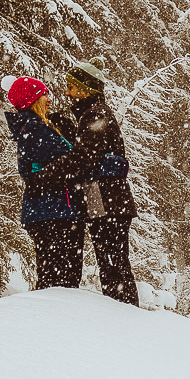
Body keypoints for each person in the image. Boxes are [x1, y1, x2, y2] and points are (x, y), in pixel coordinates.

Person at [1, 73, 135, 300]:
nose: (50, 98)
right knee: (60, 281)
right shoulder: (35, 129)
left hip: (58, 211)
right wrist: (110, 164)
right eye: (44, 95)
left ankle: (59, 316)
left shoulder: (43, 127)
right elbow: (72, 162)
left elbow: (72, 161)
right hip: (52, 213)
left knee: (62, 279)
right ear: (32, 100)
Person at [59, 60, 140, 305]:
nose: (67, 93)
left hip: (106, 201)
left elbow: (84, 159)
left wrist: (53, 170)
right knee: (112, 263)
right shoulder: (93, 114)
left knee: (113, 263)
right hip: (106, 200)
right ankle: (122, 309)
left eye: (72, 87)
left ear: (85, 89)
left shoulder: (95, 115)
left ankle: (124, 312)